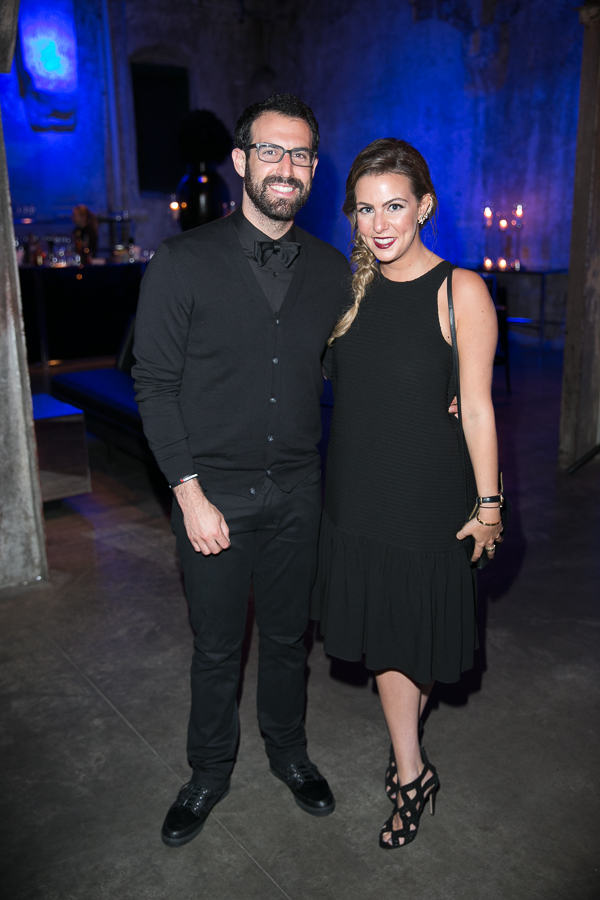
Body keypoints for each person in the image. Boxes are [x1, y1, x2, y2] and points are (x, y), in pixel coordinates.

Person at [132, 94, 350, 847]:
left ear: (313, 169)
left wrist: (438, 395)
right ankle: (208, 771)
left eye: (300, 155)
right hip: (212, 492)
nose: (286, 167)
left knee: (289, 640)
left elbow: (351, 370)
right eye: (270, 151)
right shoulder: (181, 262)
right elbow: (154, 384)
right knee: (218, 647)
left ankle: (289, 753)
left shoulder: (333, 270)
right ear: (240, 161)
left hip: (298, 491)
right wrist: (188, 494)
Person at [311, 138, 504, 850]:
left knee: (417, 638)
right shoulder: (345, 291)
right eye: (364, 210)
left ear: (425, 206)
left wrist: (490, 505)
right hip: (357, 493)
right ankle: (411, 770)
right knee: (390, 640)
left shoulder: (461, 291)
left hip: (428, 495)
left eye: (394, 206)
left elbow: (477, 407)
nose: (379, 223)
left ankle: (407, 756)